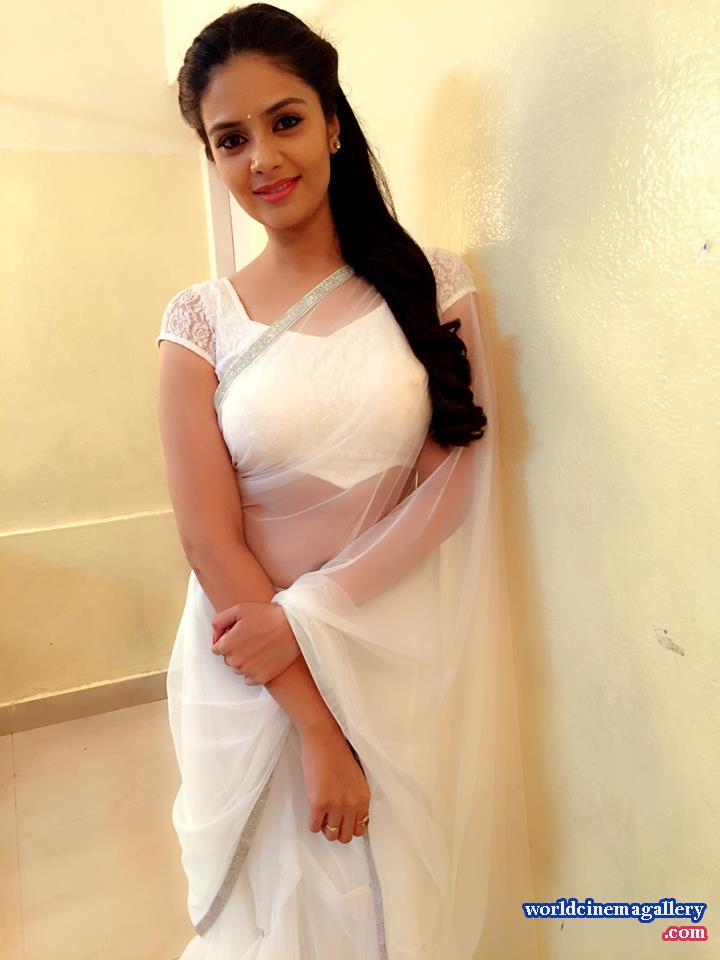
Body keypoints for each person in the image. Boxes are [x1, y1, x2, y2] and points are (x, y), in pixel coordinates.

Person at [155, 4, 537, 958]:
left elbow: (451, 485)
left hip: (393, 648)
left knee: (402, 903)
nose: (262, 159)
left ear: (332, 124)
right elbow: (208, 537)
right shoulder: (199, 321)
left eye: (285, 120)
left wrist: (309, 616)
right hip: (254, 674)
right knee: (289, 915)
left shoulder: (432, 284)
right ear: (212, 156)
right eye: (230, 139)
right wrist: (316, 725)